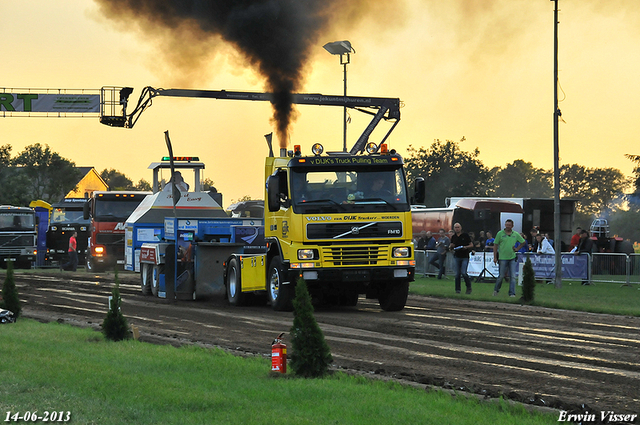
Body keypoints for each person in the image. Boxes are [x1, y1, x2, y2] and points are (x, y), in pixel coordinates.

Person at [493, 219, 525, 297]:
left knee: (513, 276)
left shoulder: (515, 234)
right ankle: (496, 290)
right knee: (501, 276)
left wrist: (517, 249)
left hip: (512, 257)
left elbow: (523, 242)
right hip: (502, 257)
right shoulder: (500, 234)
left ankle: (512, 293)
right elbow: (495, 245)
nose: (508, 226)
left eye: (509, 225)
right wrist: (495, 257)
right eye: (507, 225)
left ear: (512, 226)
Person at [449, 223, 474, 294]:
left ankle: (468, 287)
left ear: (460, 228)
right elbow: (451, 248)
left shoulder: (465, 235)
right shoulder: (453, 237)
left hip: (465, 256)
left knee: (464, 272)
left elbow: (471, 245)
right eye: (455, 227)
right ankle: (457, 289)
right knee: (457, 274)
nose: (457, 229)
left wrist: (465, 247)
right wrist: (451, 247)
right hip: (457, 256)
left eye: (458, 227)